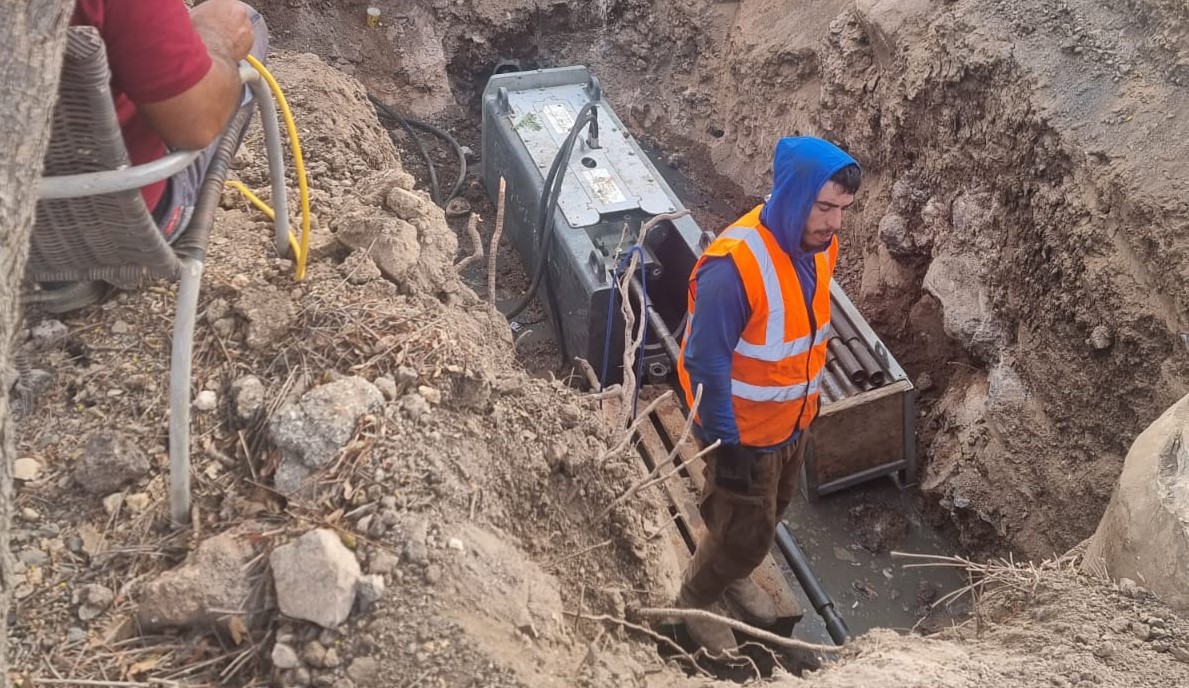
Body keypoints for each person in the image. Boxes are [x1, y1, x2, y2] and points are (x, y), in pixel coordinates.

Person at [674, 136, 861, 653]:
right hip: (744, 434)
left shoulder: (821, 248)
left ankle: (728, 572)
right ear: (794, 196)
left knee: (766, 516)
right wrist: (726, 443)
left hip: (791, 423)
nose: (835, 223)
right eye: (824, 207)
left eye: (843, 209)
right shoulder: (732, 268)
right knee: (745, 529)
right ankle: (694, 599)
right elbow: (704, 360)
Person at [51, 0, 269, 310]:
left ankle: (54, 275)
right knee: (249, 21)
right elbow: (197, 124)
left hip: (21, 214)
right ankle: (77, 271)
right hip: (125, 221)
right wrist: (215, 41)